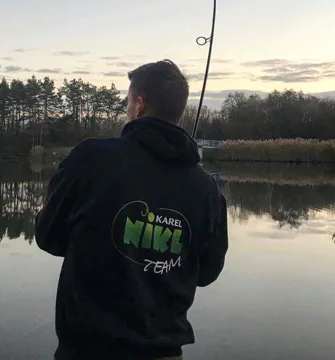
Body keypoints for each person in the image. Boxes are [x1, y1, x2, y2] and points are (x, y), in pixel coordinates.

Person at [35, 59, 228, 360]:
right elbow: (206, 273)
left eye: (127, 101)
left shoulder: (91, 158)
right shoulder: (208, 189)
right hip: (165, 352)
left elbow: (49, 237)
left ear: (139, 105)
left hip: (86, 350)